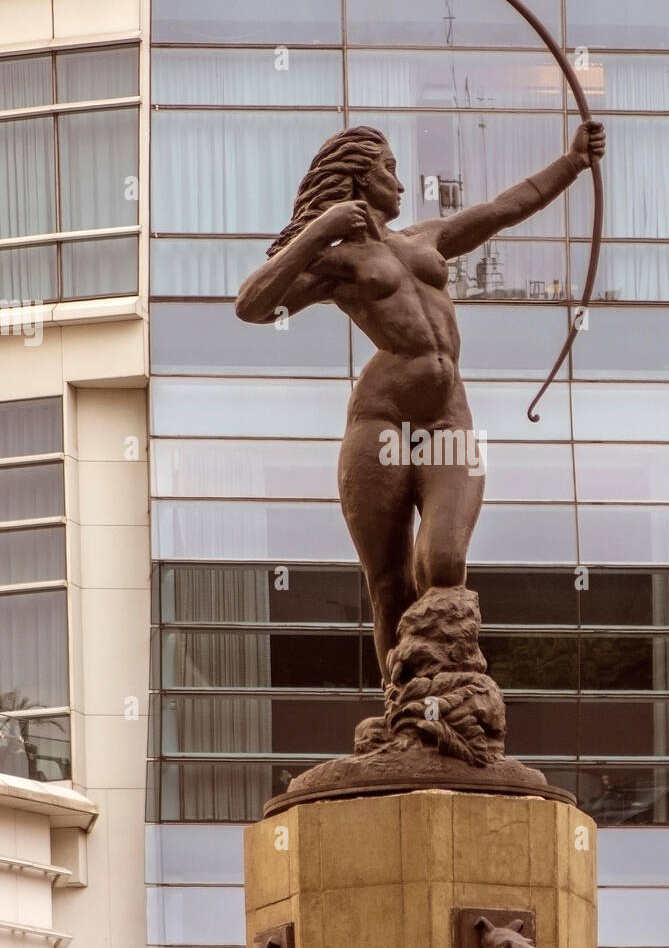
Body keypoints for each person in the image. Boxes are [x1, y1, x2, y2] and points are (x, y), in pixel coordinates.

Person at [236, 120, 605, 679]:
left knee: (444, 561)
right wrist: (319, 231)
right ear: (360, 179)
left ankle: (443, 689)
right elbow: (253, 305)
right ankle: (403, 714)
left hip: (447, 419)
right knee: (388, 585)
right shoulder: (336, 261)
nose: (401, 185)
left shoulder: (425, 238)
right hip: (380, 424)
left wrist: (573, 162)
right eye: (389, 170)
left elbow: (507, 207)